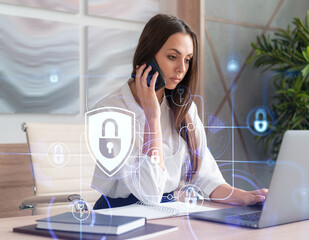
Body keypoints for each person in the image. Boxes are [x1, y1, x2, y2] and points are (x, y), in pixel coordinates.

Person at [92, 14, 267, 210]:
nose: (181, 69)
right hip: (117, 216)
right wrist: (152, 116)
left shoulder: (184, 108)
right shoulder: (108, 112)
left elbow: (205, 177)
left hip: (166, 210)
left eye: (188, 59)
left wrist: (246, 196)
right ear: (148, 56)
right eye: (172, 57)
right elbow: (150, 193)